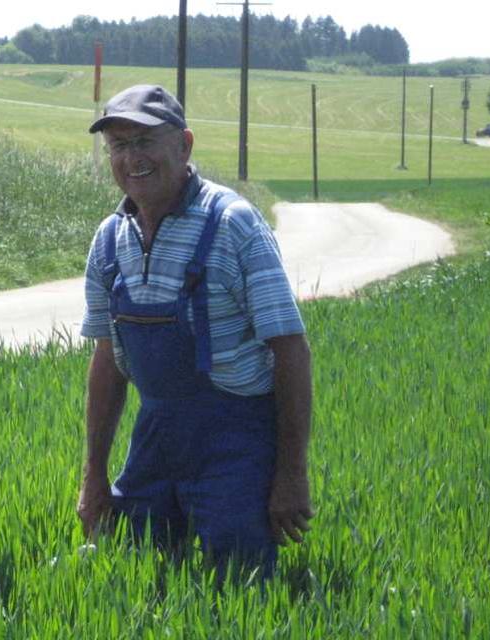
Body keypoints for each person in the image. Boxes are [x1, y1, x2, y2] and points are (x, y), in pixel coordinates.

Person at [76, 85, 313, 580]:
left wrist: (291, 474)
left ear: (183, 145)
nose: (131, 158)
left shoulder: (233, 224)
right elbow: (107, 360)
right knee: (132, 566)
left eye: (144, 141)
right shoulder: (109, 238)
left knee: (239, 578)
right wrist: (93, 475)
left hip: (236, 439)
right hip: (156, 434)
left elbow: (290, 349)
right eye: (118, 146)